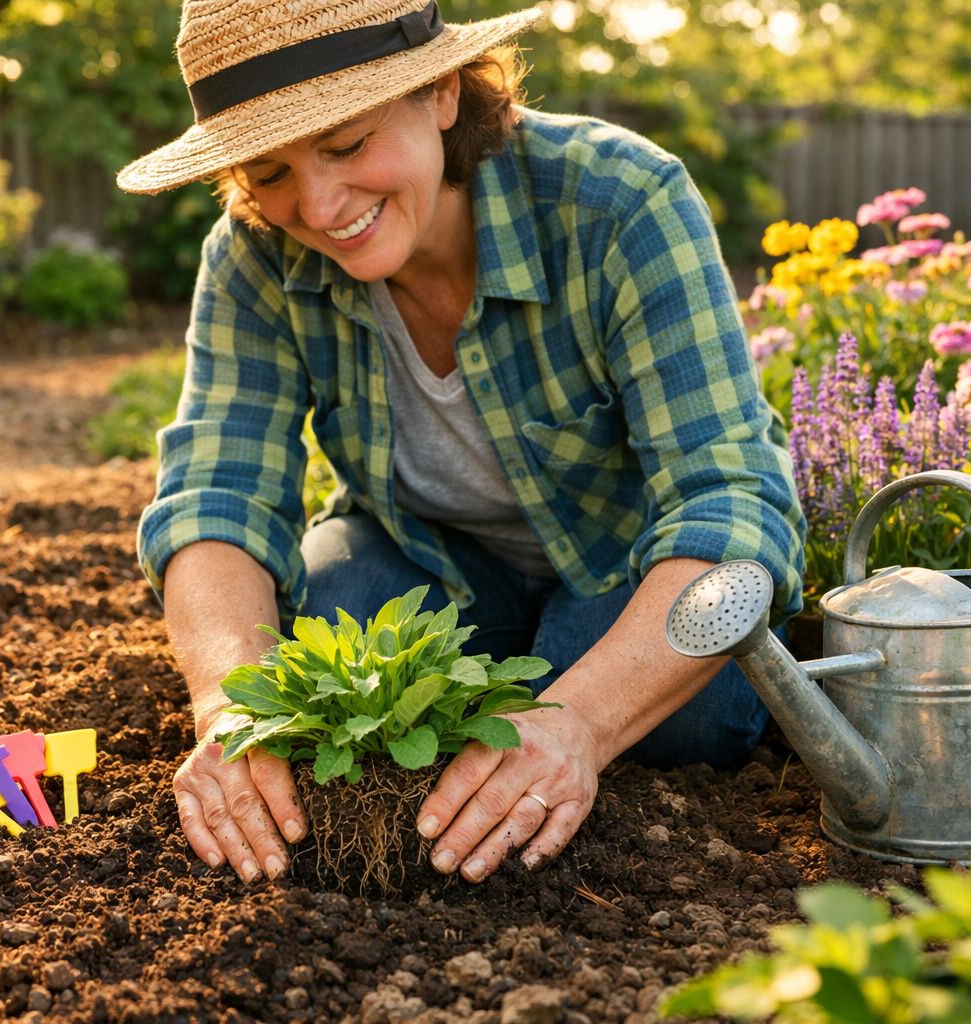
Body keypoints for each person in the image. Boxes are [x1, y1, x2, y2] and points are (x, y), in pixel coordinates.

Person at [115, 0, 805, 886]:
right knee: (328, 620)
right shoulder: (253, 256)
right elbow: (216, 496)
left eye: (347, 143)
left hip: (626, 563)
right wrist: (229, 711)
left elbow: (730, 502)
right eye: (270, 169)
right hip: (433, 556)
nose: (321, 207)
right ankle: (511, 700)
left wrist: (579, 723)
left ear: (440, 91)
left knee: (690, 721)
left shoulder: (619, 202)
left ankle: (549, 701)